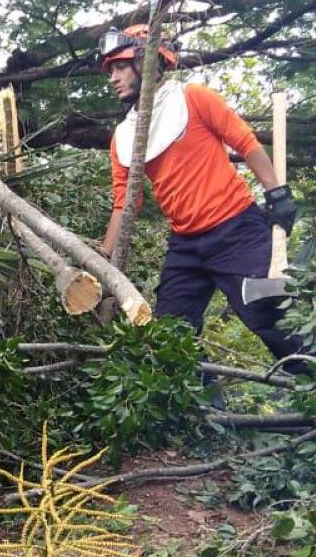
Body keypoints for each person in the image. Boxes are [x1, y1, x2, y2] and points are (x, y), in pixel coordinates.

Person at [95, 24, 304, 369]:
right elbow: (125, 203)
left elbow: (245, 142)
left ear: (148, 62)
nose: (113, 77)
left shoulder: (193, 98)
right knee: (171, 335)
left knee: (269, 317)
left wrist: (276, 192)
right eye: (110, 70)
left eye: (119, 66)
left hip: (237, 229)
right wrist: (103, 254)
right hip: (186, 245)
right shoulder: (123, 136)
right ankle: (206, 416)